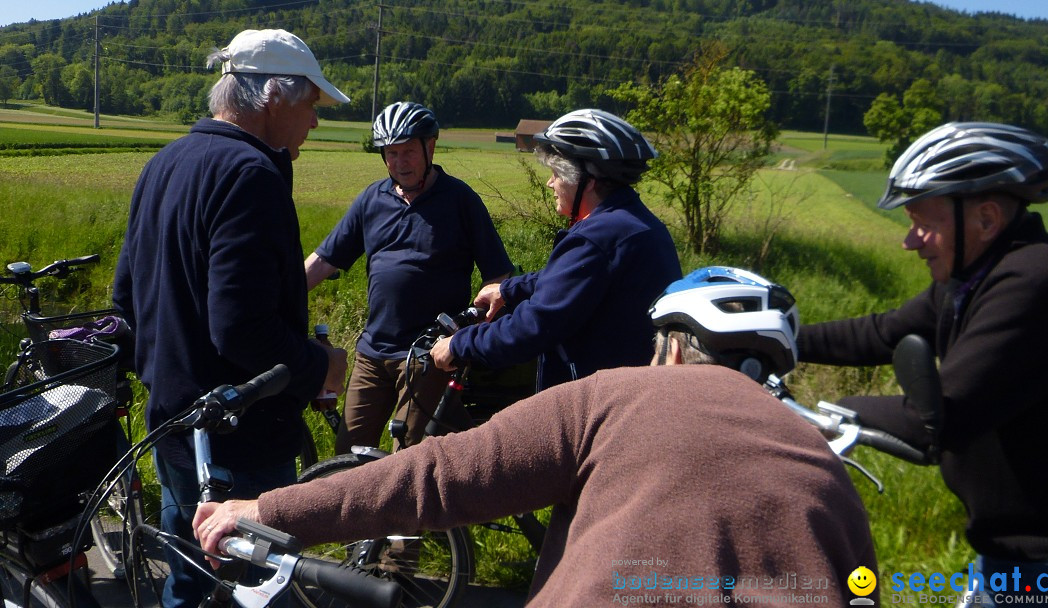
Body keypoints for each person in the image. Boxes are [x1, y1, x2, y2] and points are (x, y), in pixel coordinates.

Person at [194, 267, 877, 608]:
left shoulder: (615, 395)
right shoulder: (822, 462)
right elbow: (862, 588)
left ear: (671, 349)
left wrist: (269, 509)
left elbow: (438, 477)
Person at [795, 122, 1048, 605]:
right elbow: (883, 332)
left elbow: (938, 418)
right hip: (1011, 558)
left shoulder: (1032, 282)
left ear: (986, 219)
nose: (911, 241)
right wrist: (777, 339)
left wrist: (827, 414)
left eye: (923, 223)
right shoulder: (973, 276)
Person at [112, 28, 349, 607]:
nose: (314, 122)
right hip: (237, 439)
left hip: (172, 423)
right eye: (311, 104)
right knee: (255, 591)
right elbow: (241, 327)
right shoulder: (251, 175)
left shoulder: (165, 162)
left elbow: (127, 298)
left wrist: (160, 380)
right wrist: (320, 364)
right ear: (274, 97)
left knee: (190, 579)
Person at [304, 101, 513, 451]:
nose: (399, 163)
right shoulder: (372, 199)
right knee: (346, 455)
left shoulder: (460, 200)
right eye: (391, 154)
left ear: (429, 147)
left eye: (408, 152)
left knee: (412, 455)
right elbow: (323, 261)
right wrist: (276, 299)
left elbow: (498, 274)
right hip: (373, 352)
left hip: (427, 353)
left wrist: (471, 324)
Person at [430, 108, 682, 390]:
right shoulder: (634, 223)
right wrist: (507, 289)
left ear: (587, 180)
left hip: (596, 403)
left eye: (555, 174)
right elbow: (569, 277)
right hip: (634, 389)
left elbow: (533, 327)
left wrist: (460, 344)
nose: (550, 183)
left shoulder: (596, 238)